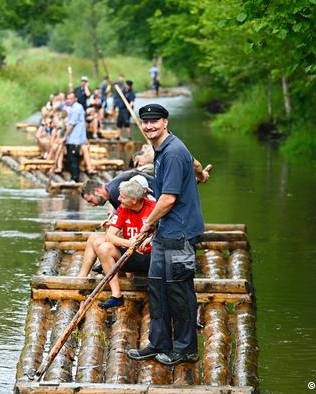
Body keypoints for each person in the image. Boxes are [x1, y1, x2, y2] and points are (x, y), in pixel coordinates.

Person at [127, 103, 210, 366]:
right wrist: (201, 174)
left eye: (155, 121)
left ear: (165, 122)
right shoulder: (161, 149)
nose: (149, 126)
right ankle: (158, 342)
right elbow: (195, 162)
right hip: (166, 230)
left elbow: (168, 199)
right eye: (145, 122)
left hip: (180, 232)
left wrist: (147, 223)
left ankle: (186, 349)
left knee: (178, 291)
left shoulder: (172, 152)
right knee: (157, 288)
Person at [78, 171, 155, 278]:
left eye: (91, 200)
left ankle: (107, 268)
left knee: (98, 242)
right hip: (136, 237)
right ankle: (82, 276)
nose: (92, 205)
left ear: (97, 191)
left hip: (142, 244)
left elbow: (129, 221)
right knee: (94, 238)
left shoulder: (115, 192)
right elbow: (123, 216)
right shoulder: (112, 189)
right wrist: (112, 219)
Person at [94, 178, 156, 309]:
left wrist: (150, 240)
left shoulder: (153, 208)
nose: (119, 199)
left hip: (153, 257)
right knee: (104, 248)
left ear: (134, 200)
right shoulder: (123, 208)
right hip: (131, 255)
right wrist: (129, 243)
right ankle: (117, 295)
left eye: (123, 197)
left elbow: (165, 232)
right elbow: (109, 236)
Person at [60, 92, 87, 182]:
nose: (69, 100)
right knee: (71, 159)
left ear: (75, 99)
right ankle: (73, 178)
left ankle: (75, 178)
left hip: (75, 138)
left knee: (74, 159)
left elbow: (71, 125)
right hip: (72, 138)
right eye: (67, 98)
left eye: (71, 98)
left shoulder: (76, 108)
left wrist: (64, 137)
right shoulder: (73, 108)